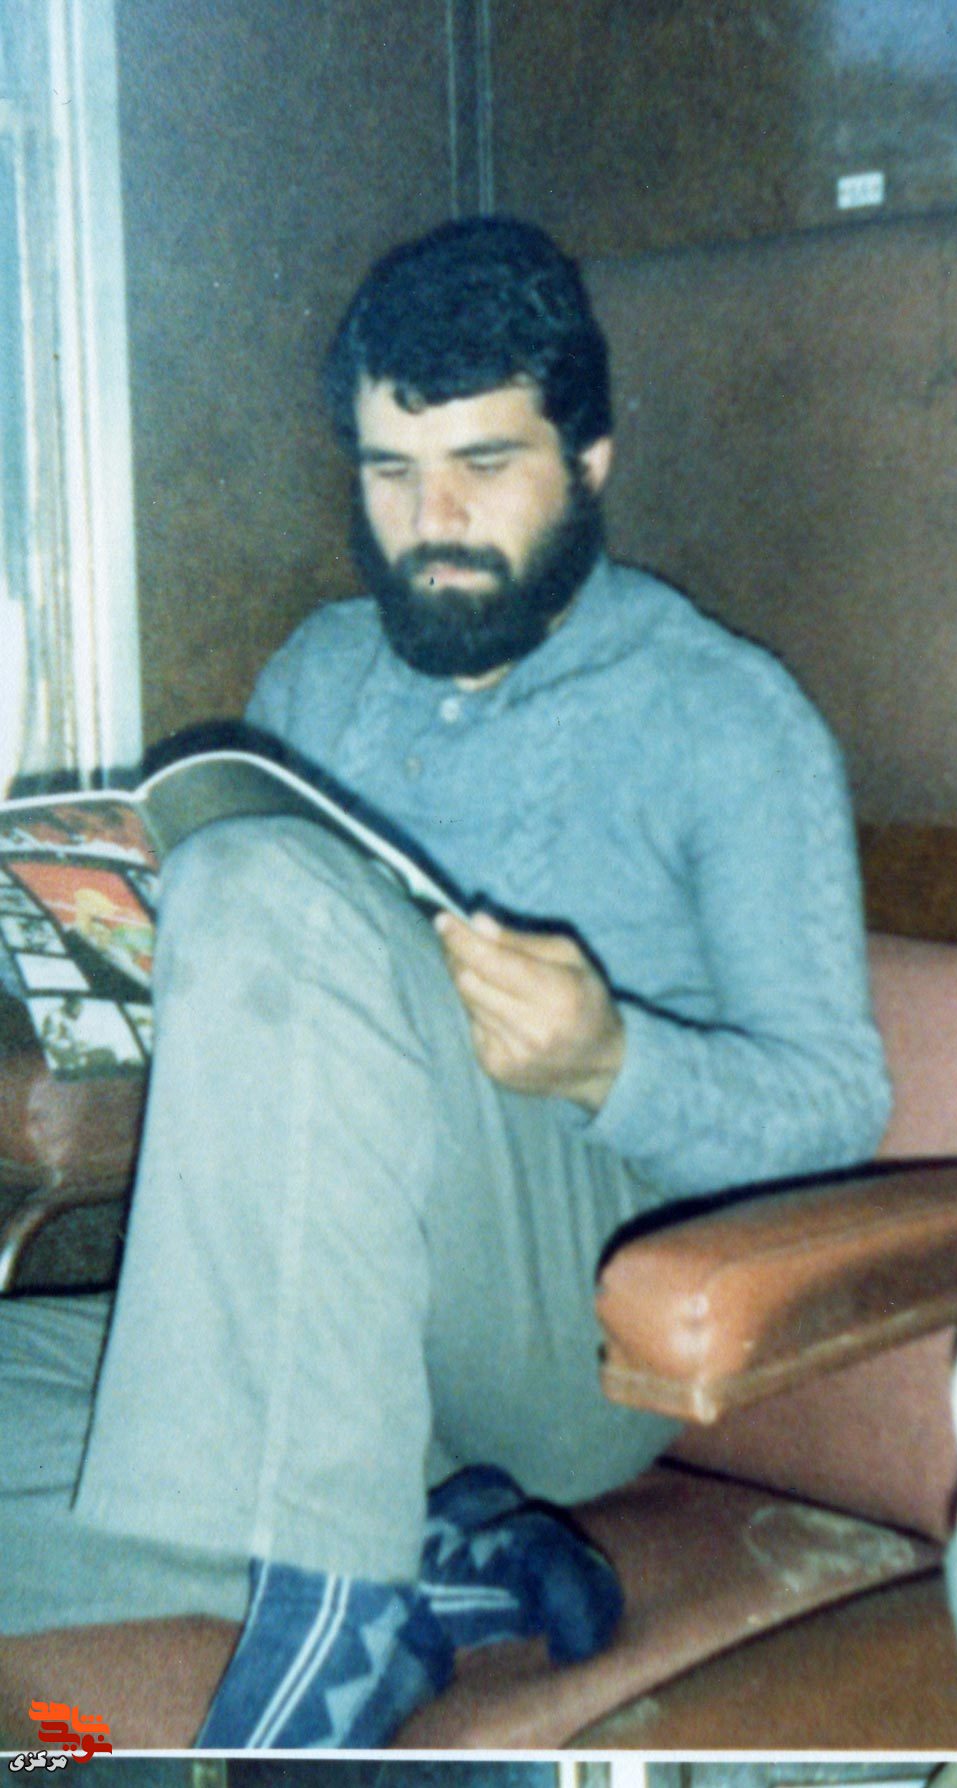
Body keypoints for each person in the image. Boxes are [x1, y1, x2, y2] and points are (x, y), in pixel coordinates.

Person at [0, 216, 890, 1748]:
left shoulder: (727, 718)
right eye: (391, 472)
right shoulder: (322, 670)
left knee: (265, 885)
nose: (435, 520)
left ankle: (340, 1604)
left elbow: (835, 1109)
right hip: (325, 1326)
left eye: (485, 463)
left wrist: (612, 1062)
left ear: (590, 458)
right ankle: (425, 1557)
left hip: (565, 1319)